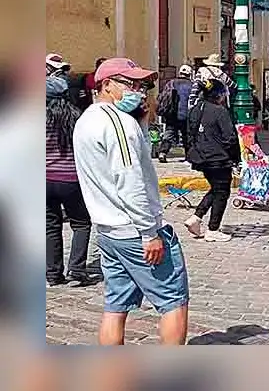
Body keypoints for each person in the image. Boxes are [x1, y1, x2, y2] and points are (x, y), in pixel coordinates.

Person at [73, 58, 189, 345]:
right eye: (130, 83)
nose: (138, 90)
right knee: (174, 301)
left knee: (116, 306)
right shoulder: (117, 122)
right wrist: (150, 233)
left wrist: (142, 120)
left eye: (141, 85)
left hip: (108, 230)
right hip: (134, 231)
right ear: (106, 85)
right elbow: (130, 181)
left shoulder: (87, 119)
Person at [46, 75, 94, 287]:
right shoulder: (78, 118)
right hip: (72, 178)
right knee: (81, 223)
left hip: (43, 178)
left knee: (50, 225)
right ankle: (76, 268)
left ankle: (52, 274)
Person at [184, 79, 240, 242]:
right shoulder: (220, 111)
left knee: (216, 188)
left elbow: (188, 134)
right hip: (218, 158)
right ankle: (213, 229)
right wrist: (236, 159)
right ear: (219, 95)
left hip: (201, 157)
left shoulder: (195, 109)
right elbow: (230, 138)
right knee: (222, 192)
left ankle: (196, 217)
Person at [156, 64, 194, 162]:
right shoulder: (192, 85)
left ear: (180, 73)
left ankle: (162, 152)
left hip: (172, 114)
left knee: (169, 133)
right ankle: (189, 156)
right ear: (189, 74)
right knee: (186, 135)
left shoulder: (171, 83)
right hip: (186, 114)